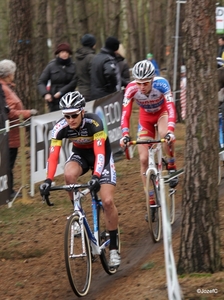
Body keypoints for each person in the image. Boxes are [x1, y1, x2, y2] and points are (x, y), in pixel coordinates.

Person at [39, 91, 120, 268]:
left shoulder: (94, 123)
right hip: (81, 155)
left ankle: (113, 248)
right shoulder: (60, 127)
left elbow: (100, 153)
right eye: (66, 116)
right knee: (68, 174)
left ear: (82, 111)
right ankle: (77, 213)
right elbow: (53, 157)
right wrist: (47, 180)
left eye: (74, 115)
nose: (70, 120)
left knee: (107, 201)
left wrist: (96, 176)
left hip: (102, 158)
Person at [120, 60, 178, 203]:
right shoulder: (131, 89)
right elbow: (125, 114)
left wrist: (171, 130)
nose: (141, 87)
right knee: (144, 159)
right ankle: (150, 197)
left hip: (161, 113)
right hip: (145, 118)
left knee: (165, 134)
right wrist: (125, 134)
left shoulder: (162, 84)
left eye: (145, 83)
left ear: (152, 79)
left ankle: (171, 162)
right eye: (138, 83)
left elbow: (171, 107)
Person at [0, 59, 38, 199]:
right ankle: (8, 192)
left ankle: (8, 190)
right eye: (13, 72)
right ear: (8, 74)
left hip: (13, 133)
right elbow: (8, 112)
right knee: (7, 164)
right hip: (9, 133)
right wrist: (28, 113)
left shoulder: (7, 87)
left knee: (9, 163)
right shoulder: (3, 89)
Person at [37, 43, 77, 112]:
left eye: (66, 52)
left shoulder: (74, 66)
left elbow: (74, 82)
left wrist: (61, 92)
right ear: (58, 54)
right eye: (62, 52)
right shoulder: (51, 66)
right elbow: (41, 82)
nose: (64, 54)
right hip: (54, 102)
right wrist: (45, 94)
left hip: (70, 99)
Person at [75, 34, 96, 102]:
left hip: (81, 92)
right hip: (91, 92)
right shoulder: (91, 57)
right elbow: (94, 76)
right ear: (92, 44)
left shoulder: (77, 58)